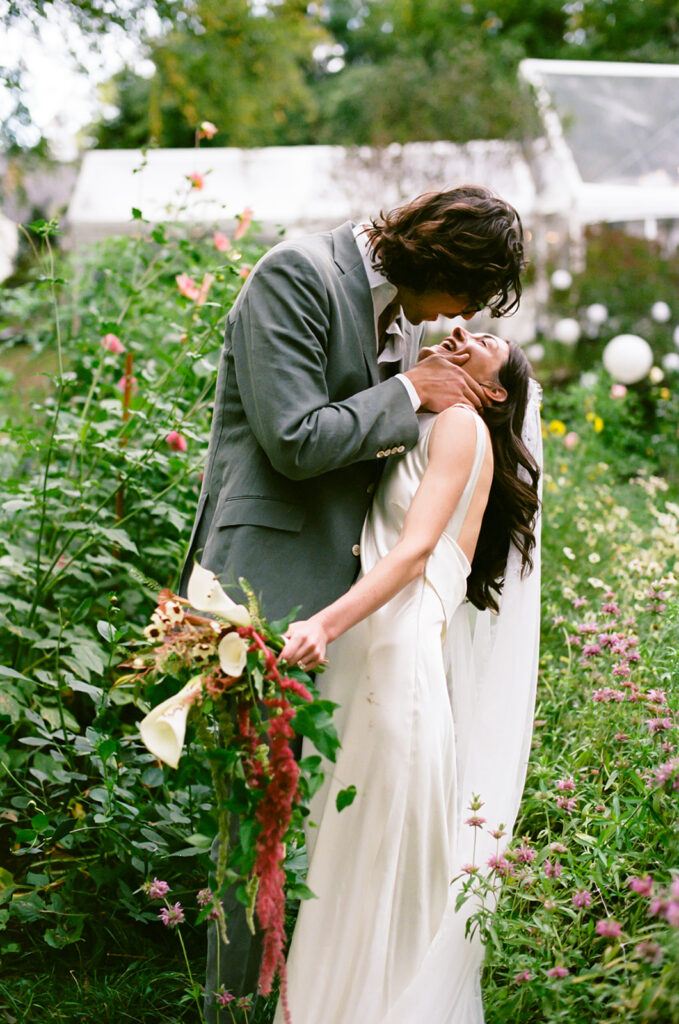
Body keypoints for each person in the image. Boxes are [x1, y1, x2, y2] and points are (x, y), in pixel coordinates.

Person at [180, 185, 526, 1020]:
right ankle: (229, 1005)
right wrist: (411, 392)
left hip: (351, 606)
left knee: (323, 829)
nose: (466, 317)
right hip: (262, 584)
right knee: (250, 825)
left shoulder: (408, 315)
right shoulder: (295, 275)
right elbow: (295, 440)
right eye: (469, 295)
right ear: (433, 264)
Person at [276, 326, 542, 1024]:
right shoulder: (421, 422)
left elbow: (416, 550)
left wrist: (322, 625)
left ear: (491, 391)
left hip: (396, 670)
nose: (459, 331)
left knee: (368, 870)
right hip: (373, 659)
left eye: (485, 339)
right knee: (347, 865)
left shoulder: (459, 424)